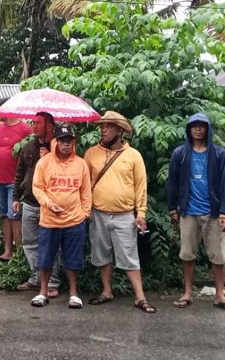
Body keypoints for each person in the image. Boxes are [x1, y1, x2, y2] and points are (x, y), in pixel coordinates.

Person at [83, 111, 155, 313]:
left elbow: (141, 186)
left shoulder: (133, 156)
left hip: (125, 215)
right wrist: (86, 209)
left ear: (120, 131)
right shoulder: (91, 153)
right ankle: (107, 291)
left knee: (129, 256)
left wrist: (141, 214)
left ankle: (140, 297)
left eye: (109, 126)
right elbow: (85, 184)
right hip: (98, 213)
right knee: (101, 254)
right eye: (102, 126)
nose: (103, 129)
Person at [168, 113, 225, 312]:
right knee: (187, 254)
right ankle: (188, 292)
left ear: (208, 129)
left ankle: (220, 294)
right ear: (189, 129)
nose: (198, 129)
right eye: (194, 126)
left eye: (202, 126)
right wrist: (173, 208)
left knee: (218, 255)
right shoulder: (180, 154)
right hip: (188, 211)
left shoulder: (218, 154)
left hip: (213, 212)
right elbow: (173, 182)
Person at [30, 124, 92, 309]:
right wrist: (49, 204)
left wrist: (84, 214)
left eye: (70, 140)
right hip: (49, 221)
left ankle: (74, 294)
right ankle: (42, 292)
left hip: (74, 221)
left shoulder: (81, 164)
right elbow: (37, 187)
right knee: (46, 258)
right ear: (55, 142)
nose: (66, 144)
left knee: (73, 259)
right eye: (63, 140)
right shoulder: (44, 162)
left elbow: (86, 192)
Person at [11, 111, 62, 297]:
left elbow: (67, 171)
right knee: (29, 243)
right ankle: (36, 278)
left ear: (49, 125)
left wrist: (51, 157)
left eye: (38, 123)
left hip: (50, 204)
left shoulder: (60, 147)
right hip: (30, 202)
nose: (34, 126)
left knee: (51, 244)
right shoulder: (27, 148)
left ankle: (53, 282)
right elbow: (19, 173)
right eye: (33, 122)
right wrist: (16, 197)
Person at [0, 99, 32, 261]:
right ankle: (7, 250)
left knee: (15, 216)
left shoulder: (24, 129)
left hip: (14, 180)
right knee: (4, 215)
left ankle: (19, 253)